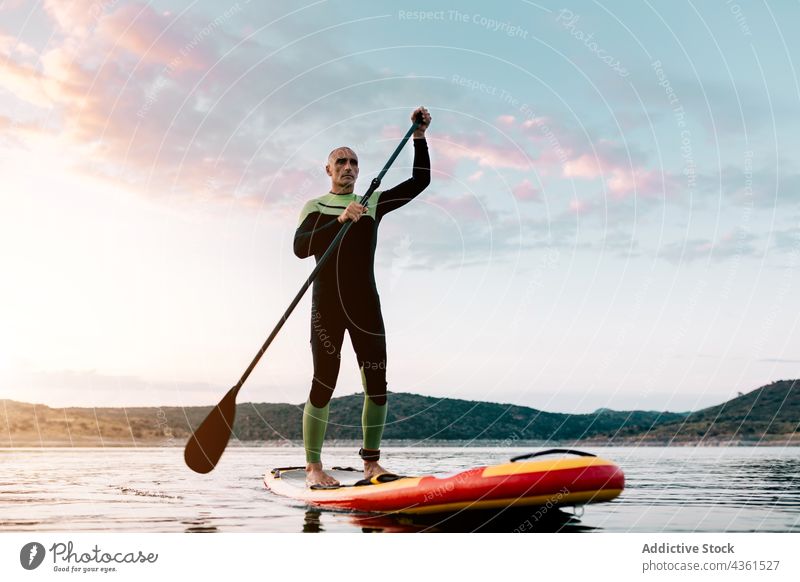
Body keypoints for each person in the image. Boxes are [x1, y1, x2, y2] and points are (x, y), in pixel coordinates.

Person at [293, 106, 431, 487]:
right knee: (324, 382)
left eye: (354, 161)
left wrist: (418, 138)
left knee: (378, 385)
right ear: (329, 169)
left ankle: (372, 464)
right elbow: (300, 248)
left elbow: (420, 182)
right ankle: (314, 468)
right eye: (341, 161)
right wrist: (339, 219)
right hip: (327, 307)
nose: (349, 166)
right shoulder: (316, 207)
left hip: (366, 306)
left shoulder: (373, 201)